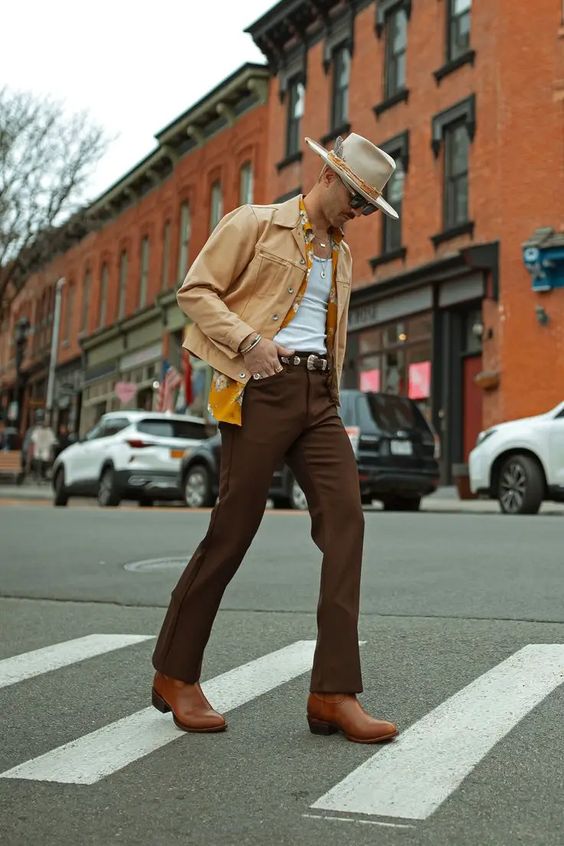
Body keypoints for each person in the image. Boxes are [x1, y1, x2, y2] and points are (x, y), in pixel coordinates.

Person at [152, 134, 400, 744]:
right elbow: (195, 291)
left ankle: (332, 692)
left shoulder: (340, 256)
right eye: (358, 199)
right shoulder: (255, 224)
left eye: (371, 208)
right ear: (328, 175)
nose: (360, 214)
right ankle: (174, 674)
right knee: (234, 528)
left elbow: (330, 334)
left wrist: (328, 396)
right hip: (258, 386)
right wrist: (249, 343)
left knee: (347, 522)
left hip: (317, 398)